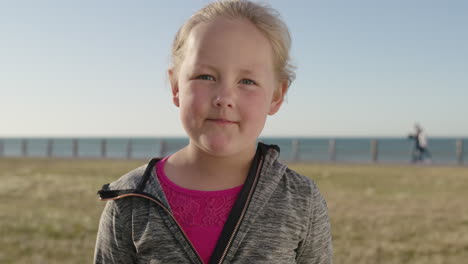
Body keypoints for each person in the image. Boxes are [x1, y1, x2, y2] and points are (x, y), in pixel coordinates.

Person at [94, 1, 332, 263]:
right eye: (206, 76)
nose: (224, 98)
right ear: (176, 87)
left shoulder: (301, 199)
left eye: (247, 81)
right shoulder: (128, 200)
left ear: (276, 96)